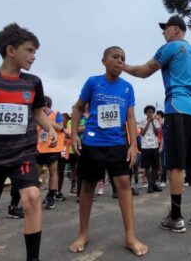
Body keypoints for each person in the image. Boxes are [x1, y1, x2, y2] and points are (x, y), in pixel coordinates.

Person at [0, 23, 57, 261]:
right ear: (11, 50)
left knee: (31, 197)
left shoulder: (33, 82)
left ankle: (33, 258)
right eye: (29, 50)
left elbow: (38, 112)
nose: (33, 56)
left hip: (22, 154)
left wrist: (50, 129)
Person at [124, 15, 191, 232]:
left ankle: (176, 216)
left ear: (175, 29)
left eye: (165, 29)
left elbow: (144, 71)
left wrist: (123, 66)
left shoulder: (171, 47)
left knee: (175, 165)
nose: (163, 33)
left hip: (176, 108)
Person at [69, 46, 147, 256]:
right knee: (88, 186)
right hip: (93, 143)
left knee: (123, 184)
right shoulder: (93, 82)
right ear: (103, 61)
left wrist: (133, 144)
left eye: (123, 58)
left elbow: (130, 117)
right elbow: (77, 108)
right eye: (115, 57)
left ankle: (130, 236)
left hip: (117, 143)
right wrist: (74, 133)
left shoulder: (128, 87)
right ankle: (83, 233)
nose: (119, 61)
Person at [36, 96, 64, 210]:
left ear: (45, 104)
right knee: (35, 173)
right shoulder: (37, 115)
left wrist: (46, 121)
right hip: (39, 148)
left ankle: (51, 196)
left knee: (53, 172)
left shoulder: (56, 114)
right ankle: (33, 197)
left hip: (53, 148)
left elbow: (60, 127)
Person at [138, 105, 162, 193]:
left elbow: (156, 133)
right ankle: (150, 185)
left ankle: (152, 184)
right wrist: (148, 122)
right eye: (148, 112)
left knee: (155, 166)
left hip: (154, 146)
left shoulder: (156, 121)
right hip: (145, 146)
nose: (150, 113)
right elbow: (142, 133)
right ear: (146, 113)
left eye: (152, 112)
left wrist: (152, 122)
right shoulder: (142, 122)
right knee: (147, 166)